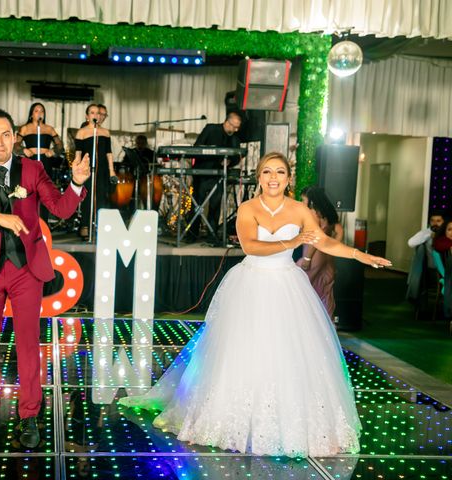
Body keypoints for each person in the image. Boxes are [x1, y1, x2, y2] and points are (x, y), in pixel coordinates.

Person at [120, 152, 391, 457]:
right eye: (266, 172)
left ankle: (294, 425)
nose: (273, 177)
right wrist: (292, 242)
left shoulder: (300, 210)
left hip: (288, 286)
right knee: (240, 352)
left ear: (288, 178)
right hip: (250, 284)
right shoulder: (247, 209)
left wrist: (360, 255)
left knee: (287, 354)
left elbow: (324, 242)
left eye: (279, 172)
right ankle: (226, 421)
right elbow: (251, 246)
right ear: (259, 177)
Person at [0, 108, 90, 449]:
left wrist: (77, 183)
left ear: (15, 137)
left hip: (27, 269)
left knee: (28, 343)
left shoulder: (32, 169)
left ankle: (29, 414)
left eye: (5, 134)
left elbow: (61, 207)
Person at [189, 111, 242, 244]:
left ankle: (212, 235)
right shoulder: (211, 129)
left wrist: (230, 162)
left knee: (215, 205)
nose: (235, 130)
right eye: (233, 126)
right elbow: (197, 147)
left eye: (237, 127)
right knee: (197, 203)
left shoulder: (235, 139)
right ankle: (191, 233)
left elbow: (237, 157)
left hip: (219, 175)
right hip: (202, 173)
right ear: (226, 122)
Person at [296, 186, 343, 320]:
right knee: (325, 291)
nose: (302, 203)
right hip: (328, 257)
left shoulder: (313, 214)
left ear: (311, 200)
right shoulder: (328, 213)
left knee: (302, 287)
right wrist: (331, 246)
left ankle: (306, 323)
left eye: (303, 200)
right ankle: (327, 326)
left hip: (314, 255)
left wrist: (307, 258)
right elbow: (340, 231)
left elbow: (315, 237)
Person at [74, 103, 117, 241]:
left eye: (98, 113)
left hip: (103, 168)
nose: (96, 115)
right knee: (87, 196)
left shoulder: (105, 132)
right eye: (92, 113)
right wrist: (76, 170)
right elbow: (78, 155)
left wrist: (111, 171)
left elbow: (109, 153)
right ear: (87, 116)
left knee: (101, 196)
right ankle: (85, 225)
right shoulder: (82, 132)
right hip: (86, 168)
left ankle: (101, 225)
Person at [18, 103, 65, 222]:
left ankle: (43, 222)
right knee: (29, 190)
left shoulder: (49, 129)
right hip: (31, 160)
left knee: (45, 191)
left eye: (42, 111)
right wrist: (23, 150)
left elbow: (60, 145)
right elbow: (15, 144)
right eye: (36, 111)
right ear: (31, 114)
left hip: (45, 161)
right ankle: (29, 221)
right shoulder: (25, 128)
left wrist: (53, 151)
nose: (39, 113)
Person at [406, 211, 445, 303]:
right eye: (432, 221)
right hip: (433, 272)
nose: (435, 223)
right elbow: (410, 243)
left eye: (438, 221)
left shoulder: (448, 233)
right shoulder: (426, 232)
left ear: (443, 222)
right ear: (429, 222)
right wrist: (429, 236)